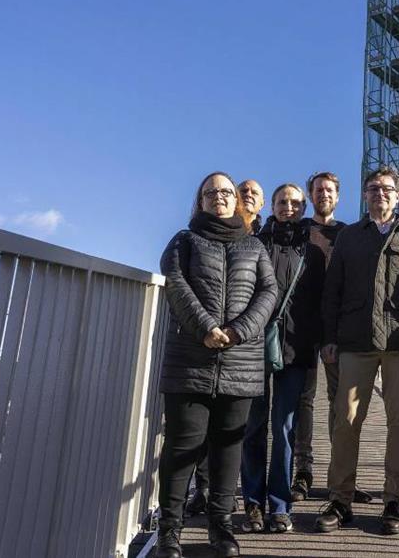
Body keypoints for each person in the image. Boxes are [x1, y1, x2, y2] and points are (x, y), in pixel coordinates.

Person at [155, 172, 278, 558]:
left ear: (237, 202)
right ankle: (169, 532)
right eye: (212, 193)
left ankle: (221, 530)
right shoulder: (184, 240)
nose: (220, 197)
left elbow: (269, 291)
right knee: (181, 449)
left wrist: (239, 330)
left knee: (228, 450)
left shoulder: (254, 245)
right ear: (201, 201)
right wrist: (205, 327)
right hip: (190, 360)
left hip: (240, 363)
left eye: (226, 192)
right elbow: (175, 283)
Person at [314, 166, 399, 536]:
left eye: (386, 189)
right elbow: (331, 292)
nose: (379, 194)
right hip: (355, 339)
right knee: (345, 419)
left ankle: (394, 500)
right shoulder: (351, 237)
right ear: (365, 195)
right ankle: (340, 499)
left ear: (397, 196)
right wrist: (328, 338)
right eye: (372, 189)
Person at [289, 172, 376, 504]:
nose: (323, 195)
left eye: (329, 190)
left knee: (343, 405)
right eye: (318, 190)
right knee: (303, 401)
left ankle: (343, 478)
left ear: (338, 196)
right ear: (310, 196)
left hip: (338, 330)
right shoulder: (299, 231)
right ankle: (303, 472)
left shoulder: (349, 234)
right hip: (300, 327)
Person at [238, 183, 320, 533]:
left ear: (304, 207)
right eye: (282, 201)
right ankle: (253, 504)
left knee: (284, 428)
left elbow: (320, 299)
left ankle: (280, 505)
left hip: (296, 348)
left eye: (295, 202)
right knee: (254, 427)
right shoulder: (256, 243)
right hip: (256, 345)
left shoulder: (313, 249)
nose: (289, 207)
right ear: (272, 205)